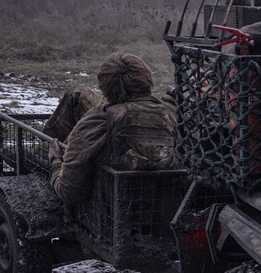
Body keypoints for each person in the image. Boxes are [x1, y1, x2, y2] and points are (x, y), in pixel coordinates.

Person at [47, 52, 177, 206]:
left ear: (104, 88)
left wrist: (55, 162)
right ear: (148, 81)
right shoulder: (171, 117)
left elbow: (69, 193)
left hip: (109, 211)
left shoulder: (95, 124)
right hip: (166, 210)